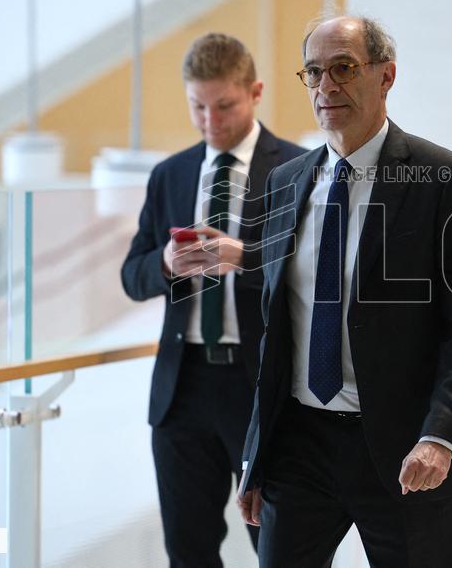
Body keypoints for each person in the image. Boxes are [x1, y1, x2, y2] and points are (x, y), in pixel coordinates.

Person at [236, 15, 452, 567]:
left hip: (408, 452)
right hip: (299, 450)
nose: (327, 86)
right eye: (314, 72)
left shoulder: (444, 179)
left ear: (386, 76)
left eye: (344, 68)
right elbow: (275, 336)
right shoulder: (285, 183)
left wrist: (440, 437)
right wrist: (257, 458)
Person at [120, 32, 304, 567]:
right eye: (197, 107)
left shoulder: (299, 168)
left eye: (224, 105)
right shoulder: (169, 174)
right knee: (189, 552)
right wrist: (164, 264)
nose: (210, 121)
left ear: (256, 92)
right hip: (182, 392)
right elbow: (132, 276)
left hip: (263, 388)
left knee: (283, 551)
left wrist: (243, 256)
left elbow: (319, 275)